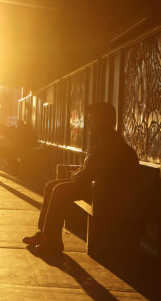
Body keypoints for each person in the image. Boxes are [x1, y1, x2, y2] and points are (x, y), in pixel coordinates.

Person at [23, 103, 139, 254]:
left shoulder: (111, 141)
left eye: (92, 119)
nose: (89, 123)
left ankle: (53, 242)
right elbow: (94, 165)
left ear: (102, 120)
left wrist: (81, 174)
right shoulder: (102, 138)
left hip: (105, 190)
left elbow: (102, 170)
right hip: (96, 186)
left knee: (60, 190)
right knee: (51, 185)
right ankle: (44, 233)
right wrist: (81, 172)